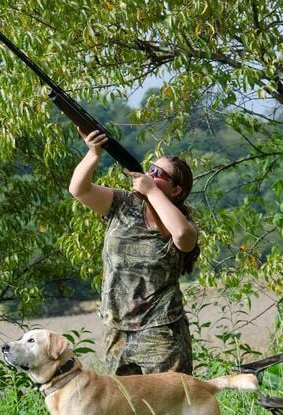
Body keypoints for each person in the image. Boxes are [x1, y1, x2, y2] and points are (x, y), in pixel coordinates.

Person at [68, 129, 199, 377]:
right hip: (117, 329)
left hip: (160, 331)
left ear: (176, 190)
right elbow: (79, 190)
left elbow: (182, 236)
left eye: (158, 174)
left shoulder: (178, 222)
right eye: (150, 169)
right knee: (125, 411)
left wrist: (151, 192)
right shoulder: (123, 203)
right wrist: (93, 152)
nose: (149, 175)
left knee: (168, 412)